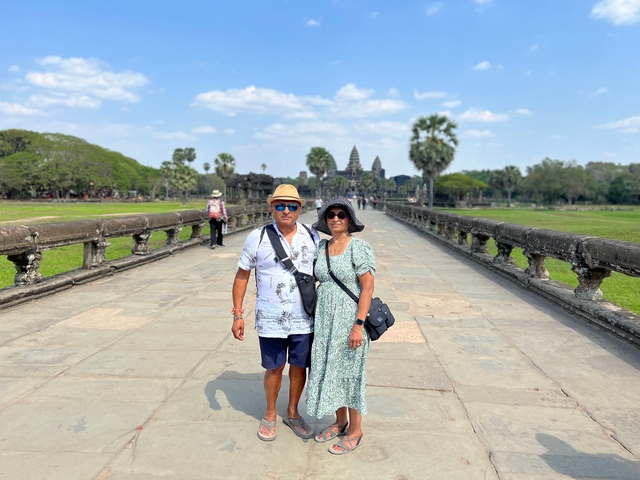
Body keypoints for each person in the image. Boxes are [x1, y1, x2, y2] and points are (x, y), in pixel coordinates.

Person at [232, 184, 320, 442]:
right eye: (279, 205)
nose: (285, 210)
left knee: (298, 367)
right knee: (274, 367)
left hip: (304, 317)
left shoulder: (312, 236)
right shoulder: (257, 237)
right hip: (270, 318)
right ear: (271, 207)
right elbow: (242, 276)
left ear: (300, 209)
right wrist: (238, 314)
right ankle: (270, 412)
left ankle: (292, 412)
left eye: (292, 206)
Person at [306, 197, 375, 455]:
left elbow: (367, 287)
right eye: (331, 215)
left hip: (349, 321)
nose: (336, 219)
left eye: (341, 215)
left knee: (350, 373)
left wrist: (359, 324)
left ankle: (355, 430)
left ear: (349, 220)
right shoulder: (321, 247)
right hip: (325, 322)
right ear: (325, 219)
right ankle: (340, 421)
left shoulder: (358, 247)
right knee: (331, 371)